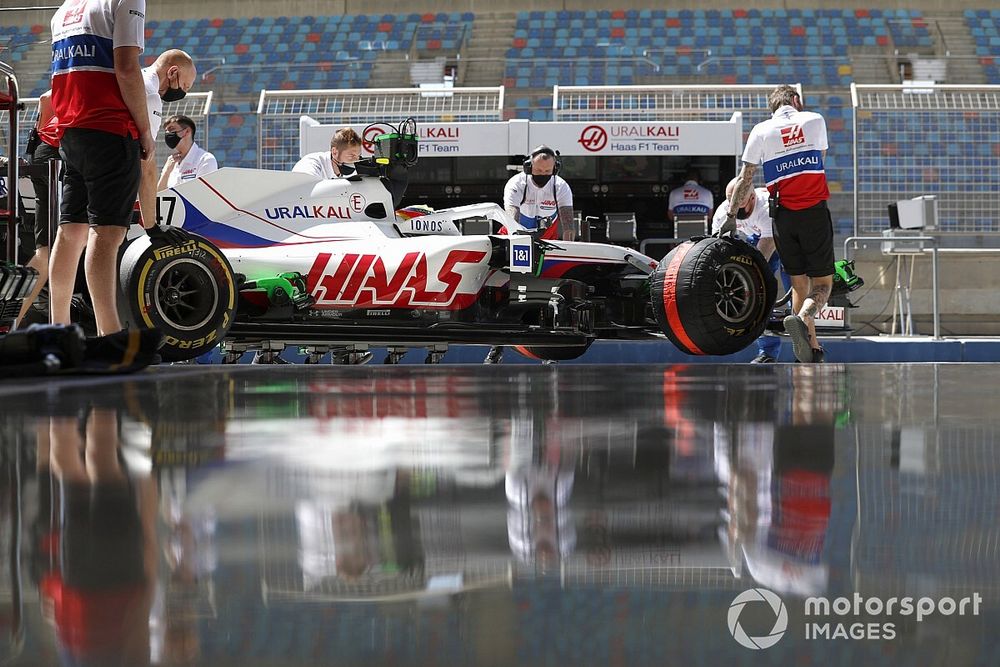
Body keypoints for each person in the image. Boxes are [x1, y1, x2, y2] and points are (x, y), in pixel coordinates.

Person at [47, 0, 178, 336]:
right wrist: (146, 132)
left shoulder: (65, 9)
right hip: (109, 129)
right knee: (107, 234)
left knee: (70, 231)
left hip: (71, 130)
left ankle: (57, 329)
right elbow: (126, 67)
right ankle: (110, 336)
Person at [722, 84, 833, 363]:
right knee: (822, 284)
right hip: (813, 212)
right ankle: (804, 316)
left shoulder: (761, 130)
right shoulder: (814, 119)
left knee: (797, 284)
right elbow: (820, 161)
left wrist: (731, 217)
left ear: (772, 108)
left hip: (782, 216)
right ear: (796, 101)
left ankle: (810, 348)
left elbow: (745, 180)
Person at [712, 177, 791, 363]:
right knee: (757, 296)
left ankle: (804, 347)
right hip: (757, 237)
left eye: (740, 207)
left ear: (753, 198)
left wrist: (749, 272)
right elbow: (716, 246)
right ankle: (768, 353)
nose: (735, 211)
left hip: (785, 237)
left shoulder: (765, 206)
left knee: (796, 291)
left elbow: (767, 247)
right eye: (732, 205)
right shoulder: (723, 213)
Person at [137, 50, 196, 226]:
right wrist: (151, 225)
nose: (183, 93)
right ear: (172, 72)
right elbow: (146, 160)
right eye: (184, 86)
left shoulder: (133, 77)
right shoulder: (150, 94)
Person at [16, 91, 59, 327]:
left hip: (46, 155)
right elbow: (45, 98)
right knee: (54, 250)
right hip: (58, 157)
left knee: (49, 250)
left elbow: (45, 99)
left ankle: (12, 320)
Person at [503, 145, 575, 242]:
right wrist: (513, 243)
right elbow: (511, 219)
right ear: (529, 167)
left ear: (555, 169)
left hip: (548, 237)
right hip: (517, 233)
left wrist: (569, 250)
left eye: (547, 171)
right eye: (538, 170)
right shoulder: (517, 184)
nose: (543, 174)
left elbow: (569, 226)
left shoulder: (561, 186)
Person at [156, 113, 218, 191]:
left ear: (187, 131)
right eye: (166, 131)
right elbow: (159, 195)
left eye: (171, 129)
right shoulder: (171, 162)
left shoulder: (205, 160)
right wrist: (166, 172)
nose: (168, 134)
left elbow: (204, 193)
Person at [292, 127, 362, 179]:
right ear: (334, 152)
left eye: (358, 156)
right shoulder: (310, 164)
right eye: (351, 156)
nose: (356, 160)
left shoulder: (355, 172)